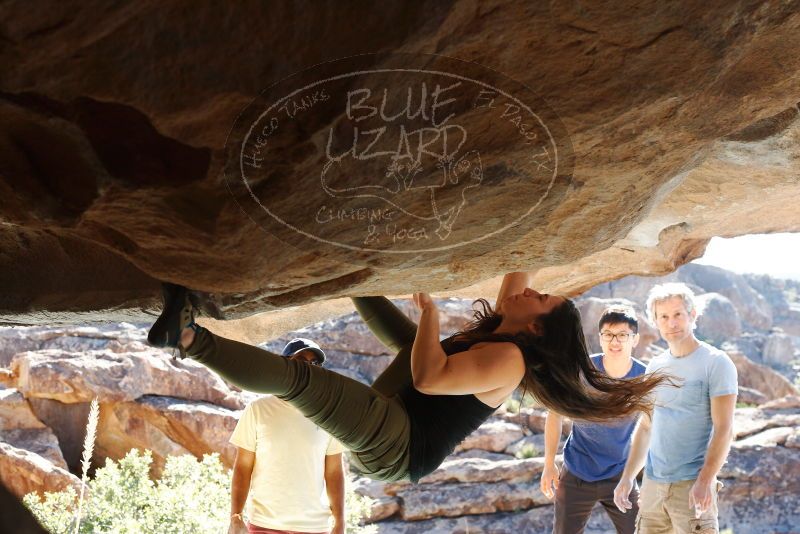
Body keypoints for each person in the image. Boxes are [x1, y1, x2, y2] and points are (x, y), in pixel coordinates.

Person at [147, 272, 668, 484]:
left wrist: (433, 314)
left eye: (541, 299)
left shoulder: (510, 360)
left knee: (301, 382)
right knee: (408, 336)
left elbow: (430, 374)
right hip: (398, 414)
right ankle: (348, 274)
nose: (532, 291)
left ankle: (189, 338)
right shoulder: (501, 332)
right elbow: (517, 270)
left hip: (398, 449)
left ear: (536, 326)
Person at [613, 283, 738, 534]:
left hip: (692, 487)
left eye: (678, 314)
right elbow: (647, 426)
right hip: (653, 488)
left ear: (693, 315)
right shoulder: (655, 367)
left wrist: (705, 480)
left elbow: (724, 429)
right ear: (656, 322)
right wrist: (628, 476)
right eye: (664, 317)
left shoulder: (716, 363)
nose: (672, 323)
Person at [541, 305, 646, 534]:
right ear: (600, 338)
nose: (614, 341)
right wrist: (549, 463)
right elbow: (555, 413)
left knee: (639, 531)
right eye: (608, 334)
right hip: (577, 470)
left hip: (621, 474)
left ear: (635, 339)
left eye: (622, 335)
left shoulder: (643, 379)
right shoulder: (582, 371)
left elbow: (652, 429)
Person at [228, 338, 345, 534]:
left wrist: (340, 522)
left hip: (315, 528)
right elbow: (242, 467)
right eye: (301, 360)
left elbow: (334, 472)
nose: (308, 367)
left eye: (314, 363)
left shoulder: (329, 414)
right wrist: (235, 517)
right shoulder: (258, 409)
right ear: (286, 364)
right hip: (264, 525)